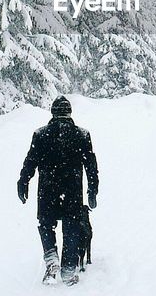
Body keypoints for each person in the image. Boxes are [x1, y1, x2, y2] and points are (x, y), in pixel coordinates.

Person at [18, 96, 99, 286]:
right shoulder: (82, 135)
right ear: (69, 112)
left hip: (47, 190)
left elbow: (30, 162)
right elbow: (91, 166)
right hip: (72, 191)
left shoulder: (41, 134)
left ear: (53, 113)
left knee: (46, 224)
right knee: (71, 227)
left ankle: (51, 259)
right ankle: (69, 270)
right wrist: (92, 190)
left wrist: (23, 181)